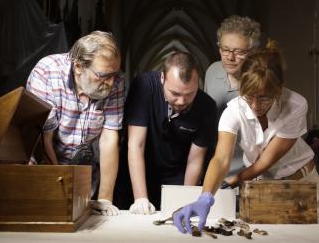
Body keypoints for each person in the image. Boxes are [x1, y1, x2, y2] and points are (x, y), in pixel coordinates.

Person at [173, 41, 319, 234]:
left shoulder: (296, 105)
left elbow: (266, 161)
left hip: (304, 183)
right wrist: (205, 196)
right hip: (261, 189)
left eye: (264, 97)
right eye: (249, 97)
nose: (255, 105)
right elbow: (221, 158)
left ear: (279, 88)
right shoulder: (234, 110)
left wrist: (233, 180)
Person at [26, 31, 124, 216]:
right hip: (45, 171)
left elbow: (109, 139)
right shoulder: (47, 72)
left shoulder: (115, 80)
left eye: (114, 74)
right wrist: (61, 192)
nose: (111, 82)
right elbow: (42, 139)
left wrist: (104, 199)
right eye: (103, 75)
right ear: (79, 67)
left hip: (84, 180)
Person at [122, 51, 217, 214]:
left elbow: (195, 161)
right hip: (138, 173)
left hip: (176, 179)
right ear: (162, 78)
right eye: (175, 93)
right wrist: (140, 198)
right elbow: (136, 145)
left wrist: (185, 202)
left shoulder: (207, 106)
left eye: (190, 94)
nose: (181, 101)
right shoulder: (144, 85)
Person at [204, 15, 261, 176]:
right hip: (215, 166)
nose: (230, 57)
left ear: (252, 52)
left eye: (238, 52)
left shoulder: (260, 82)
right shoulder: (213, 71)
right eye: (225, 49)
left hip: (250, 171)